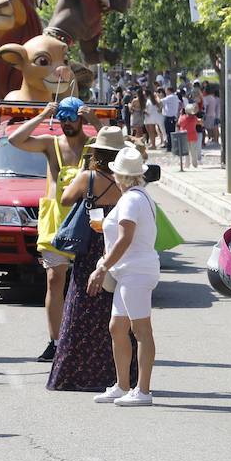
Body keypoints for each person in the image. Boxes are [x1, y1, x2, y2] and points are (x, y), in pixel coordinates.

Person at [8, 97, 101, 362]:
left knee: (89, 283)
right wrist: (40, 116)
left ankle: (86, 340)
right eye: (62, 118)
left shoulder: (94, 144)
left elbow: (122, 146)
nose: (66, 123)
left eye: (71, 118)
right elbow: (14, 140)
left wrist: (95, 120)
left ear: (81, 118)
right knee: (54, 281)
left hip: (88, 220)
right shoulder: (51, 144)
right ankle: (56, 341)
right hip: (56, 221)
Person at [48, 128, 135, 392]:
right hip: (116, 247)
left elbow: (63, 198)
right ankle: (118, 375)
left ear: (95, 153)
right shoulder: (127, 181)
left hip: (91, 248)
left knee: (81, 308)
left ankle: (74, 375)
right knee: (116, 311)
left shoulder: (88, 177)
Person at [87, 147, 160, 407]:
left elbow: (125, 238)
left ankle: (143, 390)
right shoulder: (137, 196)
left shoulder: (131, 199)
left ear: (119, 176)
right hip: (131, 270)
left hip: (135, 271)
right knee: (117, 327)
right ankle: (123, 385)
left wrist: (102, 267)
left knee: (141, 330)